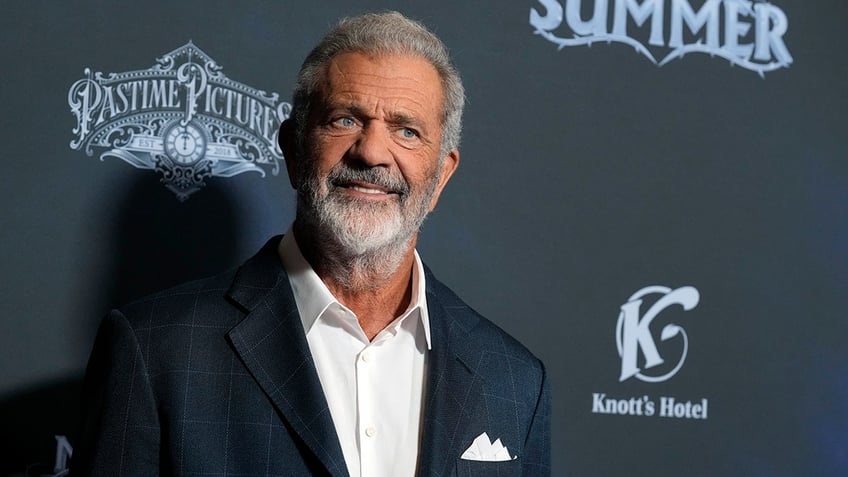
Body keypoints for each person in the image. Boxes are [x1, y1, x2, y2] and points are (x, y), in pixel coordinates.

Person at [72, 11, 550, 477]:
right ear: (294, 150)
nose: (371, 152)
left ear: (441, 176)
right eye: (345, 120)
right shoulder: (157, 350)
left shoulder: (510, 378)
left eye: (406, 130)